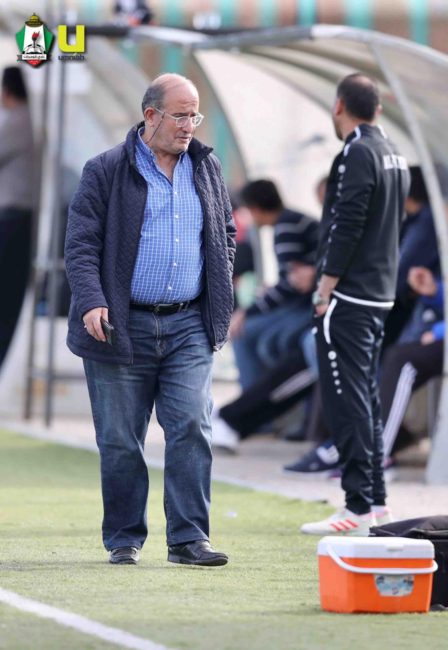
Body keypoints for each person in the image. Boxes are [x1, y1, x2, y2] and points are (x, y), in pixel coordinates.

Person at [65, 73, 236, 566]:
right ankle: (124, 538)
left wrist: (220, 283)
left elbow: (225, 231)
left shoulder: (206, 166)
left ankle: (189, 539)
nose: (189, 125)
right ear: (151, 115)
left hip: (189, 324)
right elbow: (80, 244)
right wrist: (92, 300)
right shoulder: (105, 170)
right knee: (121, 439)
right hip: (120, 326)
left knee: (192, 426)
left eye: (194, 115)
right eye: (180, 115)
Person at [301, 73, 410, 536]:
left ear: (338, 106)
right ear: (378, 109)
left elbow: (347, 222)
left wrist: (324, 288)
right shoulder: (394, 152)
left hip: (349, 296)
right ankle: (376, 503)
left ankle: (357, 506)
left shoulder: (356, 152)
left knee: (346, 400)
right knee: (365, 396)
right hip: (379, 292)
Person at [229, 179, 318, 390]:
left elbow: (291, 285)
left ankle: (253, 401)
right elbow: (291, 280)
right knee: (265, 342)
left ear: (255, 209)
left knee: (242, 333)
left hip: (307, 304)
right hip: (303, 302)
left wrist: (248, 311)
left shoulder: (287, 227)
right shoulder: (290, 221)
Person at [0, 66, 34, 368]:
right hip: (22, 219)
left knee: (6, 295)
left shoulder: (16, 121)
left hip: (11, 218)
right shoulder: (31, 119)